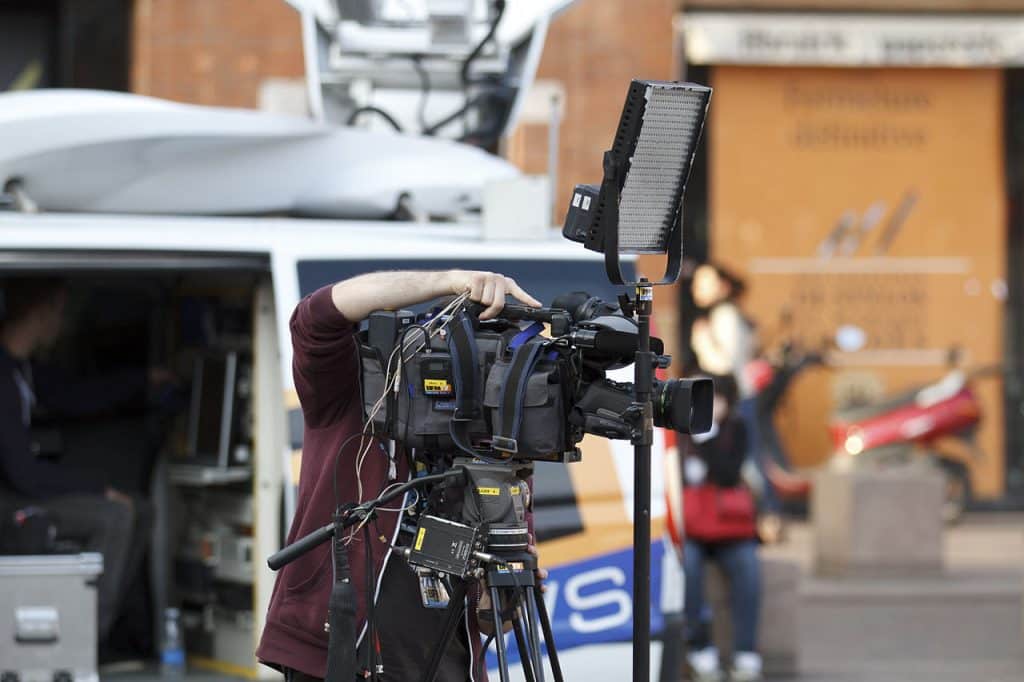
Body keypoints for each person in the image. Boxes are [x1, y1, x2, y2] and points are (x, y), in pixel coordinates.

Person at [257, 270, 542, 682]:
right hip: (335, 654)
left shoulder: (497, 446)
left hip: (444, 665)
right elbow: (316, 316)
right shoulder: (353, 396)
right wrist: (450, 281)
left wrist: (506, 597)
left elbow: (486, 620)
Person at [0, 277, 158, 645]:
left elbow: (76, 395)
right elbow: (23, 473)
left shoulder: (20, 370)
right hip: (9, 500)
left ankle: (119, 629)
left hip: (19, 489)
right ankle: (80, 643)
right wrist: (99, 489)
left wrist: (144, 381)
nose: (62, 324)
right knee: (115, 514)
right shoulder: (3, 377)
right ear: (44, 311)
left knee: (141, 508)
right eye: (60, 312)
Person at [681, 375, 762, 682]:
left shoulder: (736, 429)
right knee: (686, 569)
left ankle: (746, 653)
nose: (712, 407)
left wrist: (708, 437)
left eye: (718, 400)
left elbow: (728, 475)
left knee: (749, 570)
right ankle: (701, 650)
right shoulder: (680, 431)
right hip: (692, 527)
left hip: (730, 528)